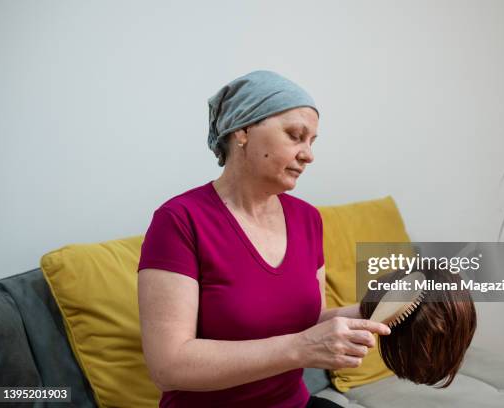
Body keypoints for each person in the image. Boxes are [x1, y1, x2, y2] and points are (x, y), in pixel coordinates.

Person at [137, 70, 391, 408]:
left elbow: (306, 319)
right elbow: (169, 366)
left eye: (312, 142)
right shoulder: (180, 220)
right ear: (242, 131)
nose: (308, 154)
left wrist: (377, 309)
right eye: (295, 136)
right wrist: (301, 347)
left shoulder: (307, 219)